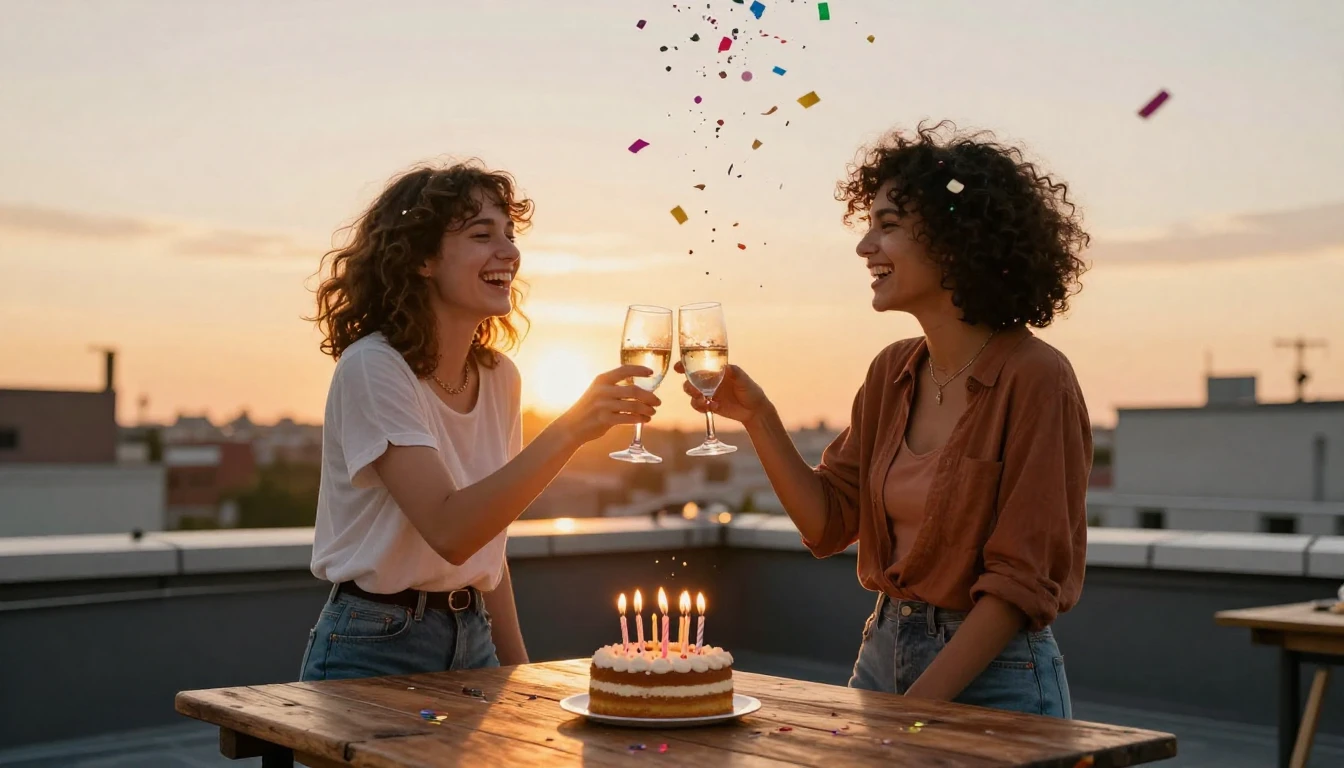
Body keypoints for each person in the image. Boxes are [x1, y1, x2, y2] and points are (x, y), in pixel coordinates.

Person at [675, 122, 1092, 717]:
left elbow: (1020, 583)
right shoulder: (892, 371)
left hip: (997, 677)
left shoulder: (1036, 376)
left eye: (887, 226)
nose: (864, 246)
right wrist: (758, 417)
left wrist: (915, 714)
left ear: (955, 240)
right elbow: (827, 524)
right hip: (882, 652)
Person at [300, 161, 659, 681]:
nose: (509, 252)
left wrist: (518, 670)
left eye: (510, 235)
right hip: (374, 643)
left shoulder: (499, 377)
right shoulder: (373, 367)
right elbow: (451, 530)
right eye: (481, 234)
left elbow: (489, 540)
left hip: (474, 633)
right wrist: (571, 429)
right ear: (422, 259)